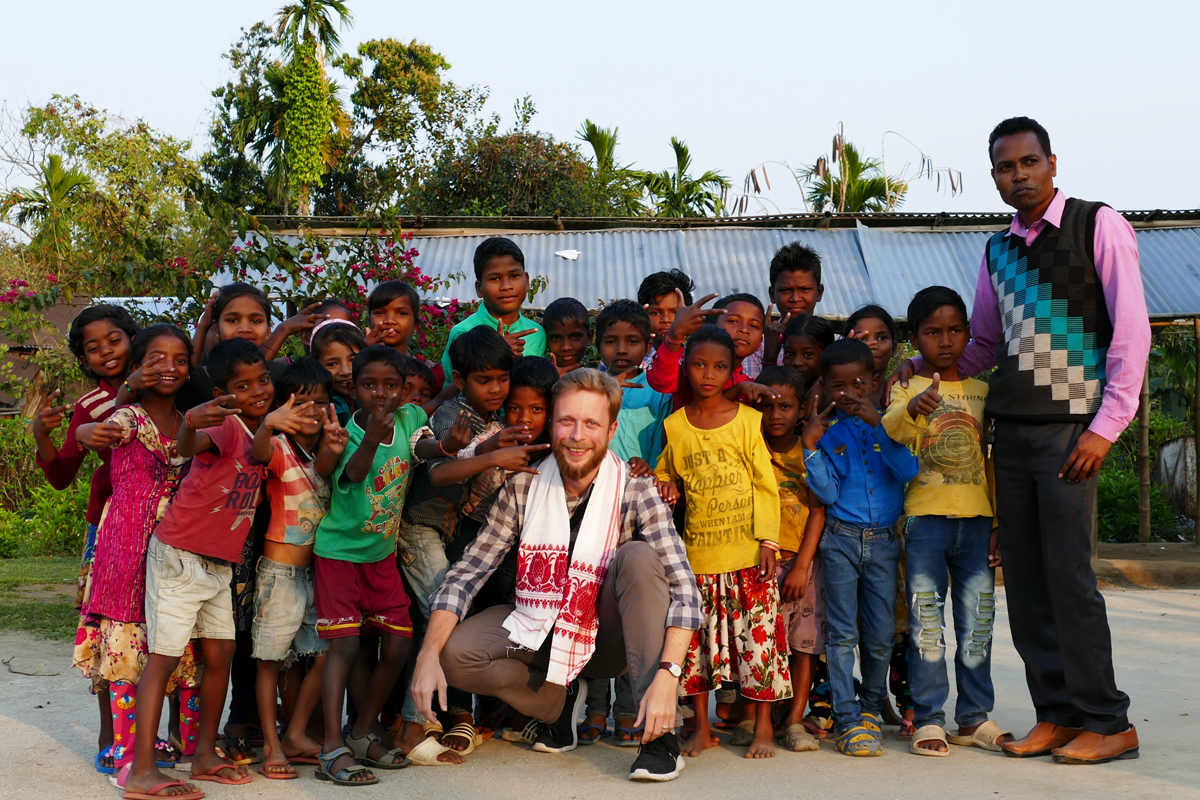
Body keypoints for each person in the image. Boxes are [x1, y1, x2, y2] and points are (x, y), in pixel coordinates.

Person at [892, 116, 1149, 764]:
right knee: (1029, 583)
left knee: (1069, 578)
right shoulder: (997, 252)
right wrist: (916, 367)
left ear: (1052, 164)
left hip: (1072, 432)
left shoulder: (1098, 226)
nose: (1019, 176)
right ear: (995, 177)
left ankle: (1108, 719)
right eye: (1005, 168)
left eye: (1029, 162)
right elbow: (981, 346)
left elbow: (1132, 335)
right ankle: (1058, 715)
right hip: (1011, 433)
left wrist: (1105, 427)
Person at [411, 368, 703, 783]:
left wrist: (667, 676)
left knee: (637, 556)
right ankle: (555, 700)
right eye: (566, 420)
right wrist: (426, 654)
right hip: (541, 626)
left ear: (611, 429)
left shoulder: (635, 490)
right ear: (552, 423)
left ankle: (660, 738)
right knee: (451, 655)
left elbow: (685, 591)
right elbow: (469, 572)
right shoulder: (524, 486)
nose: (576, 435)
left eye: (591, 423)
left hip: (608, 640)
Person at [123, 338, 276, 798]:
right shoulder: (226, 426)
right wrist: (190, 422)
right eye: (243, 386)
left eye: (263, 380)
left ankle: (205, 754)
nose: (258, 391)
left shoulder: (260, 433)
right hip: (180, 557)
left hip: (219, 565)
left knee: (221, 656)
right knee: (164, 660)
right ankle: (142, 771)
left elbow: (265, 454)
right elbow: (191, 443)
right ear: (222, 392)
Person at [882, 286, 1011, 757]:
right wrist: (913, 407)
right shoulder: (906, 386)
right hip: (925, 522)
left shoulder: (983, 392)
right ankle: (930, 718)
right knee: (927, 626)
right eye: (932, 332)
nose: (945, 340)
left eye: (955, 330)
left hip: (977, 522)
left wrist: (998, 519)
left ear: (969, 333)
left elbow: (993, 460)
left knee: (978, 624)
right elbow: (892, 425)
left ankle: (974, 716)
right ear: (915, 338)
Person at [655, 326, 788, 761]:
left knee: (759, 645)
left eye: (719, 367)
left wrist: (770, 541)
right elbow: (663, 473)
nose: (707, 375)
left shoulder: (750, 421)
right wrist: (667, 484)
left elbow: (765, 484)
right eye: (698, 365)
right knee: (697, 651)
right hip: (698, 558)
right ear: (685, 368)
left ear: (733, 371)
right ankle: (703, 728)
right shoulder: (675, 426)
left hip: (749, 554)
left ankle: (763, 728)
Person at [72, 325, 195, 781]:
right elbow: (97, 432)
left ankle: (157, 738)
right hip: (125, 545)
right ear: (138, 365)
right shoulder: (128, 417)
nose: (168, 367)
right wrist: (86, 430)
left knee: (169, 641)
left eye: (179, 359)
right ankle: (120, 744)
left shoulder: (190, 422)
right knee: (124, 640)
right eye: (156, 358)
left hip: (175, 552)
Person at [394, 326, 516, 764]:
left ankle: (437, 718)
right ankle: (412, 727)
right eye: (485, 380)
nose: (497, 388)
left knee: (449, 616)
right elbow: (437, 472)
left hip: (449, 532)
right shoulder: (454, 415)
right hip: (420, 528)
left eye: (503, 378)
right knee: (440, 614)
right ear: (462, 380)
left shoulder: (496, 418)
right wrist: (489, 450)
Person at [312, 344, 427, 785]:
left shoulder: (411, 418)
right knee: (342, 648)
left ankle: (361, 731)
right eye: (369, 385)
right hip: (339, 555)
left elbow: (422, 448)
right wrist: (374, 437)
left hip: (380, 557)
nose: (380, 394)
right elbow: (354, 475)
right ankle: (330, 748)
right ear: (353, 388)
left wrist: (448, 444)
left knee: (398, 645)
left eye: (390, 386)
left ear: (404, 389)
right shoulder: (347, 432)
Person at [802, 338, 919, 757]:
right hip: (841, 541)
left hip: (885, 543)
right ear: (826, 388)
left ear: (873, 382)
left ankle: (871, 708)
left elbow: (909, 469)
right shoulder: (830, 436)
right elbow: (828, 494)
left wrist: (883, 428)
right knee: (841, 634)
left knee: (881, 633)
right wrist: (811, 448)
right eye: (838, 386)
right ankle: (848, 717)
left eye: (858, 384)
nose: (849, 394)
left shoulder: (890, 423)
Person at [34, 304, 138, 774]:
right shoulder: (91, 407)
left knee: (174, 631)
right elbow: (60, 476)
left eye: (113, 340)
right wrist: (43, 435)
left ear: (132, 338)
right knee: (109, 633)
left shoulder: (169, 383)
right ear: (85, 359)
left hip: (170, 526)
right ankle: (110, 733)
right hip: (112, 530)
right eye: (93, 348)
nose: (105, 352)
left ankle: (179, 733)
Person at [579, 300, 674, 745]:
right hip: (593, 512)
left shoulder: (658, 395)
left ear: (647, 343)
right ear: (597, 344)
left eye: (632, 341)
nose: (622, 349)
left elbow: (661, 451)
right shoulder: (588, 389)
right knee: (595, 610)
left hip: (640, 512)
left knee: (633, 611)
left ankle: (629, 710)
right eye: (612, 341)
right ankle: (594, 710)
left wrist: (648, 467)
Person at [249, 359, 348, 779]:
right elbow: (256, 452)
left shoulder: (327, 450)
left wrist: (335, 445)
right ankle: (273, 743)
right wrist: (268, 423)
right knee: (270, 661)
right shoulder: (279, 447)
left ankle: (296, 734)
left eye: (320, 404)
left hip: (316, 574)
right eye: (300, 404)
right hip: (280, 574)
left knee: (324, 656)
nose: (311, 413)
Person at [756, 365, 826, 753]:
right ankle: (760, 715)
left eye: (786, 406)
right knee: (763, 643)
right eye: (767, 405)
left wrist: (801, 565)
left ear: (802, 410)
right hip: (759, 563)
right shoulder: (750, 447)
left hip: (804, 564)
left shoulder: (809, 454)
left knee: (803, 644)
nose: (776, 414)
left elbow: (818, 510)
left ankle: (795, 720)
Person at [439, 237, 547, 381]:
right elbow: (455, 390)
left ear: (526, 281)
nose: (506, 286)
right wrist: (496, 354)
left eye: (514, 276)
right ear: (479, 288)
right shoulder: (463, 333)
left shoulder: (538, 334)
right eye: (495, 278)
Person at [647, 292, 763, 410]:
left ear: (760, 342)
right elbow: (661, 381)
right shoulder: (692, 366)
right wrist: (675, 333)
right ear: (712, 327)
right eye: (733, 321)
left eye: (753, 326)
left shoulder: (751, 386)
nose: (744, 329)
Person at [749, 242, 826, 376]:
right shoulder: (756, 348)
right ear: (773, 294)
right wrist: (769, 356)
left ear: (819, 292)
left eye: (804, 289)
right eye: (786, 290)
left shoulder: (835, 342)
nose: (795, 298)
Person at [368, 280, 444, 394]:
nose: (389, 320)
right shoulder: (355, 364)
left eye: (402, 313)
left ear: (415, 325)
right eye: (379, 312)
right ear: (369, 320)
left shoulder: (431, 372)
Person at [310, 319, 367, 425]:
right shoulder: (322, 412)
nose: (345, 371)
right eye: (332, 364)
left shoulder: (369, 402)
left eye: (353, 360)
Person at [780, 314, 835, 415]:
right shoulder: (780, 390)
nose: (797, 362)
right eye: (789, 353)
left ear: (827, 353)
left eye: (808, 354)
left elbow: (808, 413)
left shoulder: (833, 395)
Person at [637, 269, 695, 365]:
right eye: (655, 313)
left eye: (675, 312)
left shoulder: (695, 358)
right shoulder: (634, 361)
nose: (665, 320)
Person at [542, 297, 591, 376]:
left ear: (589, 337)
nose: (566, 347)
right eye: (556, 338)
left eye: (575, 336)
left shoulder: (595, 382)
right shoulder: (537, 378)